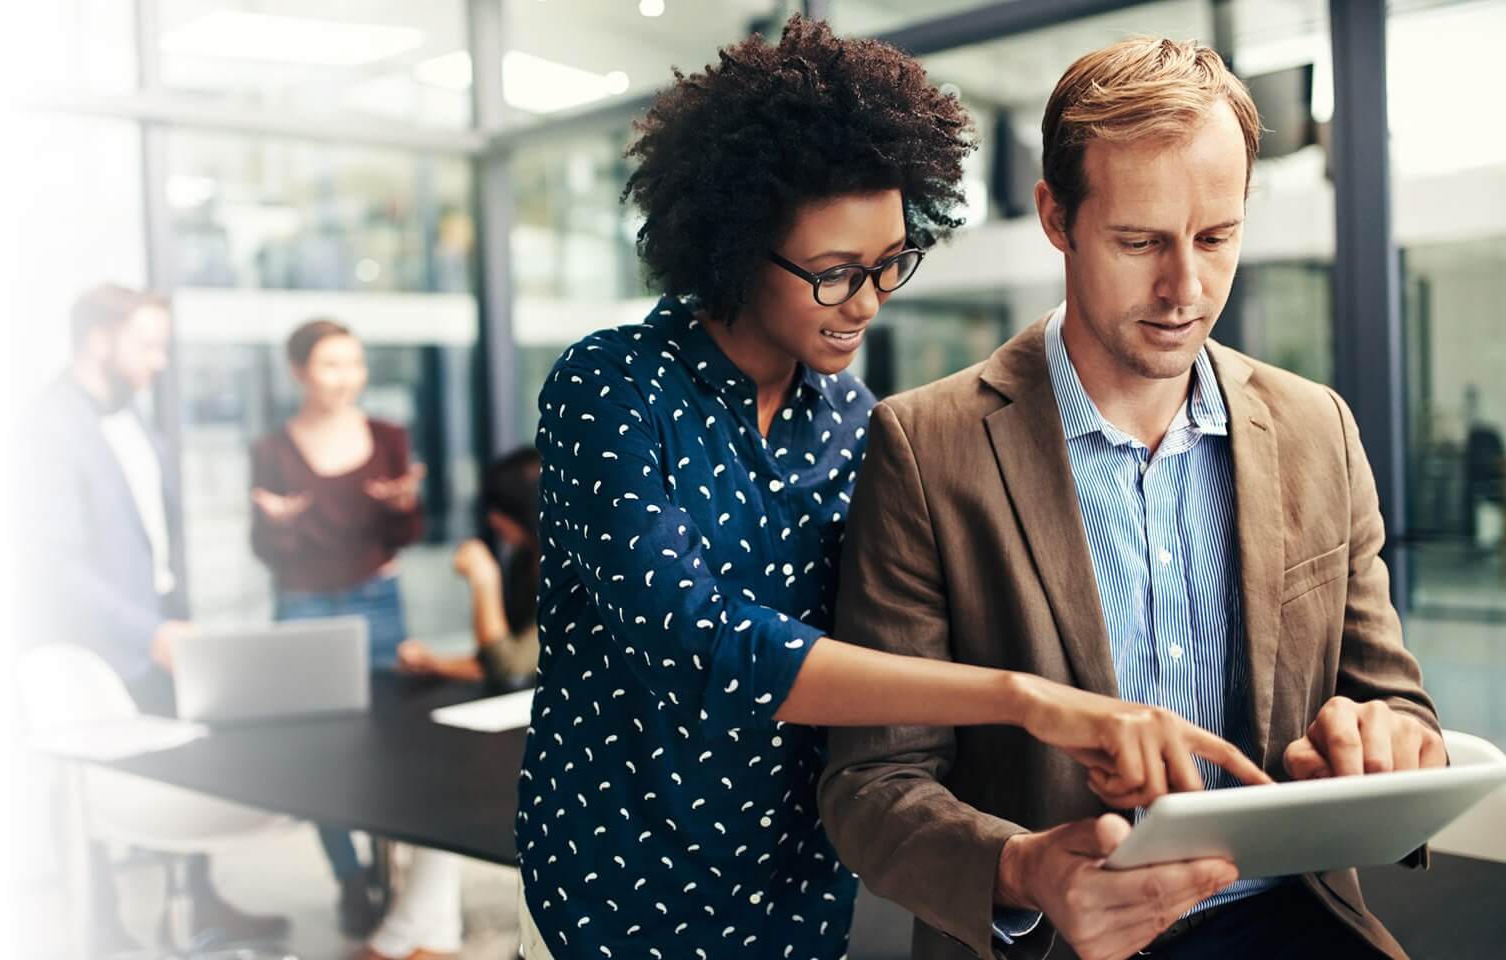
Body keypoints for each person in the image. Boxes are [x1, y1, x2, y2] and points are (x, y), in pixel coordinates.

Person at [516, 18, 1268, 960]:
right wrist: (1028, 698)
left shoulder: (852, 419)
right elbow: (700, 640)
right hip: (614, 885)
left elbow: (880, 658)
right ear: (737, 242)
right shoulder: (613, 387)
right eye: (835, 274)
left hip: (795, 898)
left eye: (889, 264)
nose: (868, 302)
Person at [817, 37, 1444, 960]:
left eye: (1217, 238)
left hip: (1298, 925)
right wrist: (1028, 869)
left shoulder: (1321, 430)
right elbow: (871, 783)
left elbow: (1398, 708)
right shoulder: (927, 449)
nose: (1185, 288)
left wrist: (1383, 744)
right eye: (1141, 241)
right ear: (1055, 217)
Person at [18, 283, 288, 950]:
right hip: (97, 644)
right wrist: (150, 631)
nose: (159, 362)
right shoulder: (48, 428)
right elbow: (58, 564)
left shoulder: (132, 416)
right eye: (148, 345)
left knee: (187, 760)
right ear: (97, 341)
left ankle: (201, 905)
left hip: (162, 627)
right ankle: (101, 928)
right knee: (88, 792)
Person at [248, 318, 426, 937]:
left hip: (379, 600)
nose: (346, 377)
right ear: (298, 372)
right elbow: (267, 554)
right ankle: (349, 875)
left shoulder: (387, 436)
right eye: (330, 364)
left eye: (354, 363)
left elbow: (407, 535)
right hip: (304, 608)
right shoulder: (271, 450)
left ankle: (392, 869)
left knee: (389, 744)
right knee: (320, 752)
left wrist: (403, 507)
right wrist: (279, 524)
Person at [398, 448, 543, 691]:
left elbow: (510, 669)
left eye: (501, 509)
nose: (493, 520)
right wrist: (434, 664)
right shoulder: (523, 560)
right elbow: (494, 656)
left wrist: (485, 580)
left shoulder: (572, 575)